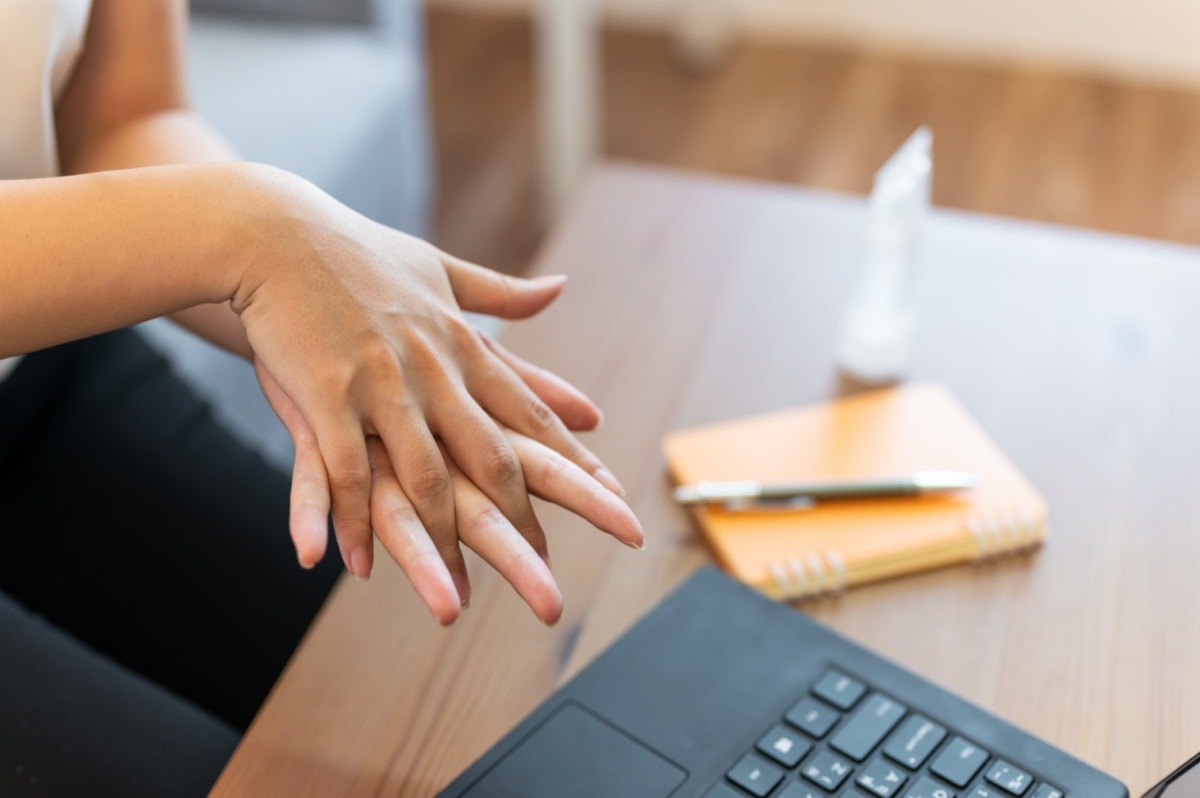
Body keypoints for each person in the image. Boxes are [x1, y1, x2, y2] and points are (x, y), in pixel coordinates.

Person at [0, 2, 643, 795]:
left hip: (35, 379)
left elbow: (126, 115)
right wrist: (257, 231)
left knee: (432, 710)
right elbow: (235, 231)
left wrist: (315, 314)